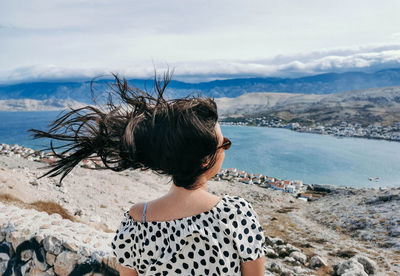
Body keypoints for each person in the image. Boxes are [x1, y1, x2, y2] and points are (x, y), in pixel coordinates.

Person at [29, 72, 267, 275]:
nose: (225, 149)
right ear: (206, 160)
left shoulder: (136, 222)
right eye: (224, 144)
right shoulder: (236, 215)